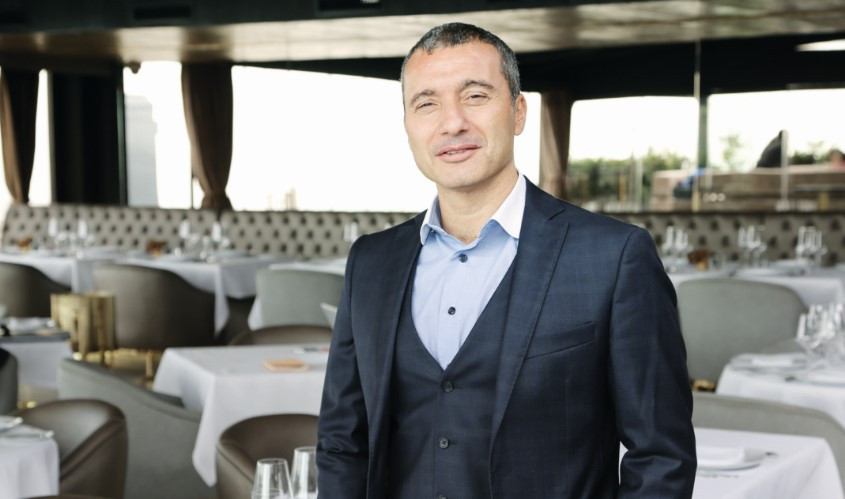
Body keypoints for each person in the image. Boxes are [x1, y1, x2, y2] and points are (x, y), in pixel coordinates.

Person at [317, 22, 696, 498]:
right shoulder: (371, 262)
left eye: (475, 96)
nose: (452, 123)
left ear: (518, 112)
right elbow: (342, 442)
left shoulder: (614, 257)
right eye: (427, 104)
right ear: (408, 126)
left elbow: (661, 455)